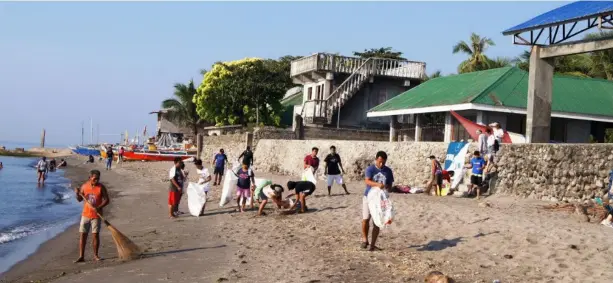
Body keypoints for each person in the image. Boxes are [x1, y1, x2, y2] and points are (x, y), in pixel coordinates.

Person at [73, 169, 110, 262]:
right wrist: (77, 194)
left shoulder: (101, 187)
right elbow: (79, 200)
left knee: (95, 235)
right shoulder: (84, 186)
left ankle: (96, 255)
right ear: (90, 178)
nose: (96, 181)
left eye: (98, 179)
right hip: (85, 215)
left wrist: (98, 207)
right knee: (83, 235)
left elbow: (107, 200)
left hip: (96, 216)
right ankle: (81, 256)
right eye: (94, 179)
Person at [361, 151, 394, 252]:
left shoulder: (388, 171)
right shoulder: (370, 169)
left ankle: (372, 245)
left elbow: (390, 185)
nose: (381, 164)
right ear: (376, 159)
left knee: (377, 221)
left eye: (383, 162)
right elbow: (367, 181)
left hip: (380, 200)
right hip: (368, 197)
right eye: (380, 162)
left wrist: (387, 187)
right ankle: (365, 239)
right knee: (366, 219)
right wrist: (377, 184)